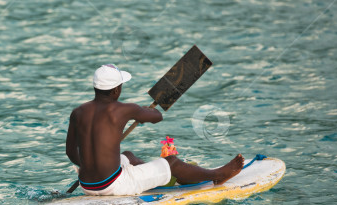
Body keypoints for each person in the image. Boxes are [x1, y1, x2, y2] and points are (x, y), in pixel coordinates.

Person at [65, 64, 244, 196]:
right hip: (113, 186)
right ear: (116, 90)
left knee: (128, 156)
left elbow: (71, 153)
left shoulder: (78, 112)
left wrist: (93, 166)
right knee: (172, 161)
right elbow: (157, 117)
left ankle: (166, 176)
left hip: (87, 184)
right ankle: (217, 176)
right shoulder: (124, 109)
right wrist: (144, 111)